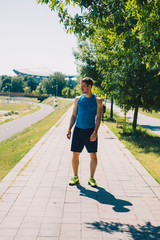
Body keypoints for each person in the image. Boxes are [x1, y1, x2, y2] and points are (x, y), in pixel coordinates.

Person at [66, 77, 103, 187]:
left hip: (90, 131)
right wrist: (69, 129)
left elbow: (99, 117)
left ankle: (91, 178)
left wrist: (95, 132)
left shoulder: (98, 100)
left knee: (93, 155)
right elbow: (73, 115)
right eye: (80, 86)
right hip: (78, 130)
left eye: (83, 86)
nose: (81, 88)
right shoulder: (78, 99)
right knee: (75, 154)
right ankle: (75, 177)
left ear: (89, 86)